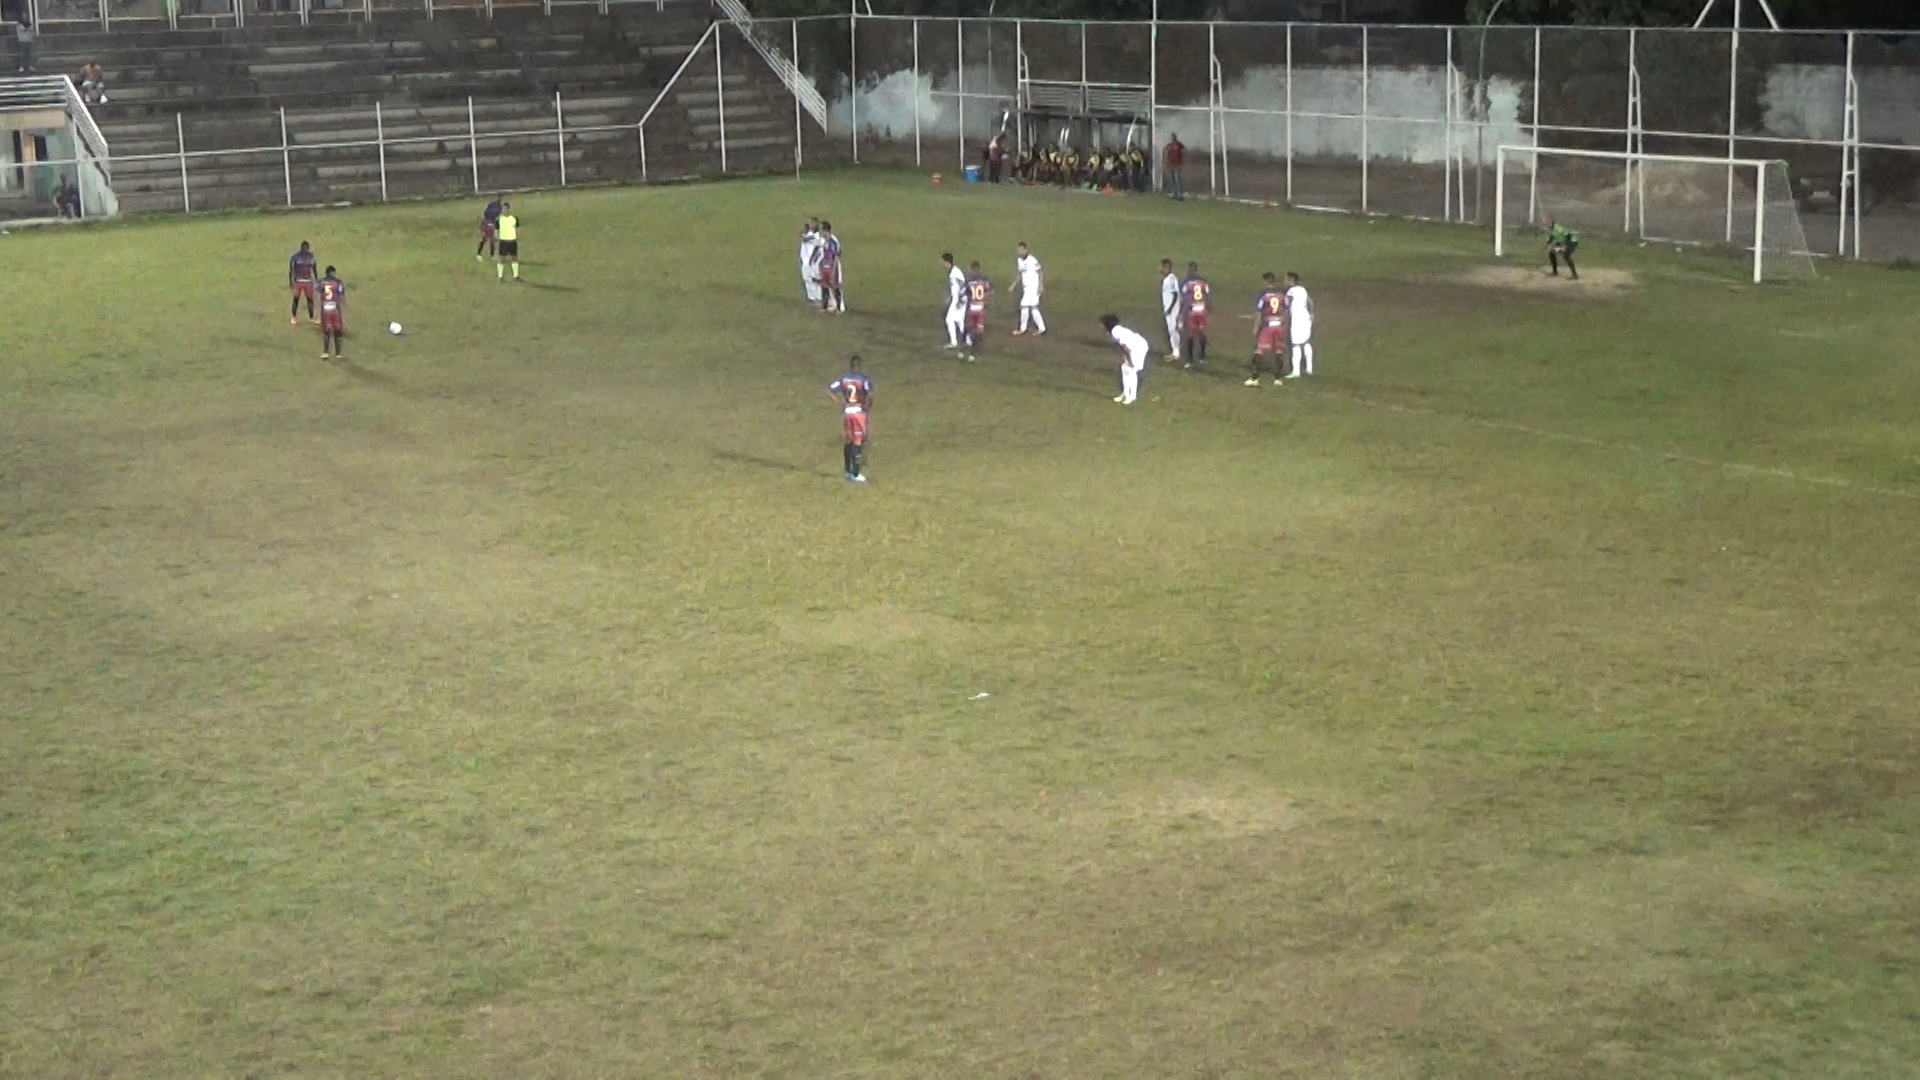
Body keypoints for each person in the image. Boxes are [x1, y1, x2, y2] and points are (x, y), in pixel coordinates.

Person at [827, 356, 873, 483]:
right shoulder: (864, 379)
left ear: (851, 365)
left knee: (849, 439)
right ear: (860, 365)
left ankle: (847, 471)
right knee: (858, 441)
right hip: (858, 413)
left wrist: (841, 404)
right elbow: (870, 395)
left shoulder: (844, 379)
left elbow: (830, 390)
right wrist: (867, 408)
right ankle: (856, 474)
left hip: (847, 412)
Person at [1245, 272, 1289, 387]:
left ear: (1265, 281)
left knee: (1259, 351)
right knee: (1279, 351)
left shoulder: (1263, 294)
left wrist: (1255, 327)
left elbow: (1259, 312)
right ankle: (1278, 379)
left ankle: (1255, 378)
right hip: (1279, 326)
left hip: (1267, 327)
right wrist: (1283, 322)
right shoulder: (1282, 294)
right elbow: (1286, 310)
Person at [1101, 315, 1150, 406]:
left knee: (1131, 370)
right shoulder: (1114, 330)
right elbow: (1121, 346)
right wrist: (1124, 357)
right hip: (1134, 347)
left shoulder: (1115, 332)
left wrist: (1130, 360)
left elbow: (1126, 347)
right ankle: (1125, 393)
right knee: (1124, 368)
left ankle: (1132, 396)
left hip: (1138, 347)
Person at [1179, 261, 1211, 368]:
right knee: (1201, 332)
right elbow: (1207, 295)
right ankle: (1202, 356)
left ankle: (1190, 359)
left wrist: (1182, 311)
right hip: (1201, 309)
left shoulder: (1186, 282)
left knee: (1190, 333)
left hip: (1191, 310)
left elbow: (1183, 297)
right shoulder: (1203, 281)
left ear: (1190, 270)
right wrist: (1208, 308)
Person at [1284, 271, 1315, 379]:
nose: (1284, 281)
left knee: (1295, 345)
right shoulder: (1303, 289)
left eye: (1286, 279)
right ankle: (1309, 368)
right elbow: (1311, 302)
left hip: (1297, 320)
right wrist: (1311, 314)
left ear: (1290, 280)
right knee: (1306, 343)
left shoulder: (1290, 292)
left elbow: (1286, 307)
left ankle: (1296, 372)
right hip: (1306, 318)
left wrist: (1284, 319)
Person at [1012, 241, 1046, 337]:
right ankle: (1041, 328)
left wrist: (1041, 285)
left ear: (1026, 250)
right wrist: (1014, 285)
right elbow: (1020, 274)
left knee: (1024, 305)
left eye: (1022, 250)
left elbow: (1040, 272)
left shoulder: (1032, 260)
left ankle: (1022, 329)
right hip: (1026, 288)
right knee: (1033, 307)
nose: (1020, 252)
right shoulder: (1019, 260)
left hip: (1033, 287)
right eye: (1019, 250)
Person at [961, 261, 991, 362]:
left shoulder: (969, 281)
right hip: (981, 308)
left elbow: (965, 293)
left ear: (971, 269)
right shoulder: (985, 280)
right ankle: (973, 353)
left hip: (972, 308)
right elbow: (989, 291)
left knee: (968, 327)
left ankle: (963, 348)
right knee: (978, 331)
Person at [813, 221, 844, 313]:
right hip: (825, 266)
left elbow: (836, 256)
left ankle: (839, 308)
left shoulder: (833, 241)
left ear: (825, 230)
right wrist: (821, 264)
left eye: (821, 230)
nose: (820, 233)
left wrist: (833, 270)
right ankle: (824, 307)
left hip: (832, 267)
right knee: (824, 286)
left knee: (834, 286)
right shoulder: (825, 241)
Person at [318, 266, 347, 360]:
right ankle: (338, 353)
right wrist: (344, 306)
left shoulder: (321, 282)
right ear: (332, 273)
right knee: (337, 330)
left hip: (325, 308)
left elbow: (318, 292)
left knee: (326, 330)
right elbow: (341, 295)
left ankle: (326, 352)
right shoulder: (338, 282)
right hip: (335, 309)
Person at [288, 240, 319, 325]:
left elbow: (291, 271)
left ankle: (310, 317)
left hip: (303, 281)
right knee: (297, 299)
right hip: (302, 281)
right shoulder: (307, 256)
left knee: (307, 299)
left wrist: (291, 282)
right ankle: (295, 317)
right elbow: (314, 269)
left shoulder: (296, 257)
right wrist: (316, 280)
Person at [941, 252, 966, 350]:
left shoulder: (955, 271)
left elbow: (962, 284)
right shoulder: (953, 271)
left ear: (947, 262)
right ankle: (967, 340)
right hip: (958, 299)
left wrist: (960, 299)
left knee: (949, 319)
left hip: (959, 300)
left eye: (943, 262)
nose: (942, 264)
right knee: (960, 321)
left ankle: (954, 342)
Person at [1158, 258, 1182, 363]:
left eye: (1162, 267)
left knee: (1173, 330)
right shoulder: (1167, 279)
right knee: (1171, 331)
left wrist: (1170, 309)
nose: (1160, 269)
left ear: (1167, 267)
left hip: (1172, 310)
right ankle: (1174, 352)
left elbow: (1176, 294)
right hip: (1170, 309)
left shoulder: (1172, 279)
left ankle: (1176, 353)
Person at [799, 218, 822, 306]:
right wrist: (805, 231)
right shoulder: (809, 234)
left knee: (815, 281)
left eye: (813, 224)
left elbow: (805, 239)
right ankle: (811, 298)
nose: (811, 225)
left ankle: (819, 298)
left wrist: (804, 231)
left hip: (812, 262)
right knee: (807, 279)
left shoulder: (817, 236)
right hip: (805, 261)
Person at [495, 202, 519, 282]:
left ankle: (516, 275)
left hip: (512, 240)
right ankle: (500, 276)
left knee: (514, 258)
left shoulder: (514, 218)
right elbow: (496, 229)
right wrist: (496, 237)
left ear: (509, 209)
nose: (503, 210)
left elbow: (517, 228)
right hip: (503, 241)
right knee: (502, 259)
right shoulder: (499, 219)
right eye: (502, 209)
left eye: (505, 209)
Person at [476, 194, 501, 260]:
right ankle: (481, 254)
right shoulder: (495, 207)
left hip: (489, 223)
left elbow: (486, 214)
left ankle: (488, 255)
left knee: (490, 239)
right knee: (487, 239)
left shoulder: (493, 206)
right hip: (488, 223)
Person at [1163, 133, 1185, 200]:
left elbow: (1183, 152)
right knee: (1172, 180)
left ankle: (1179, 195)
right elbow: (1166, 153)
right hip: (1171, 165)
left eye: (1173, 137)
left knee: (1177, 180)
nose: (1172, 138)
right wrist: (1166, 162)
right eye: (1172, 137)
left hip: (1177, 165)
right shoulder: (1169, 145)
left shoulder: (1179, 145)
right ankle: (1174, 194)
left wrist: (1182, 162)